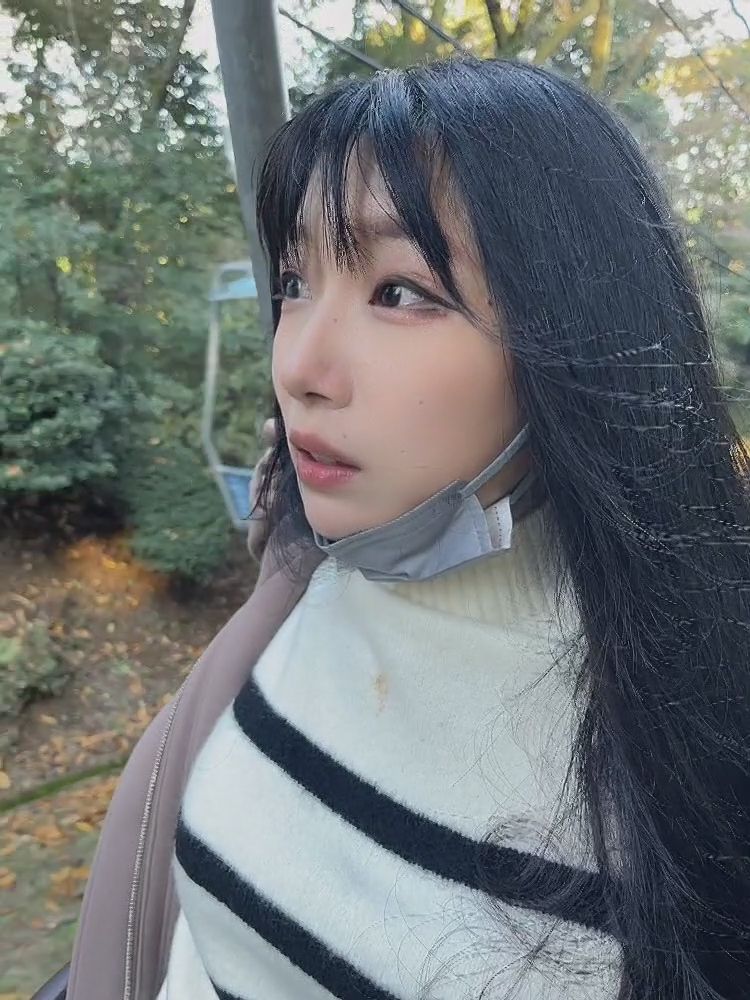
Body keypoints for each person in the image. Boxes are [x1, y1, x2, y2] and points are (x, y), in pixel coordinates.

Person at [63, 56, 750, 1000]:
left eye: (399, 292)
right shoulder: (320, 576)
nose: (298, 366)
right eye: (296, 281)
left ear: (577, 338)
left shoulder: (698, 734)